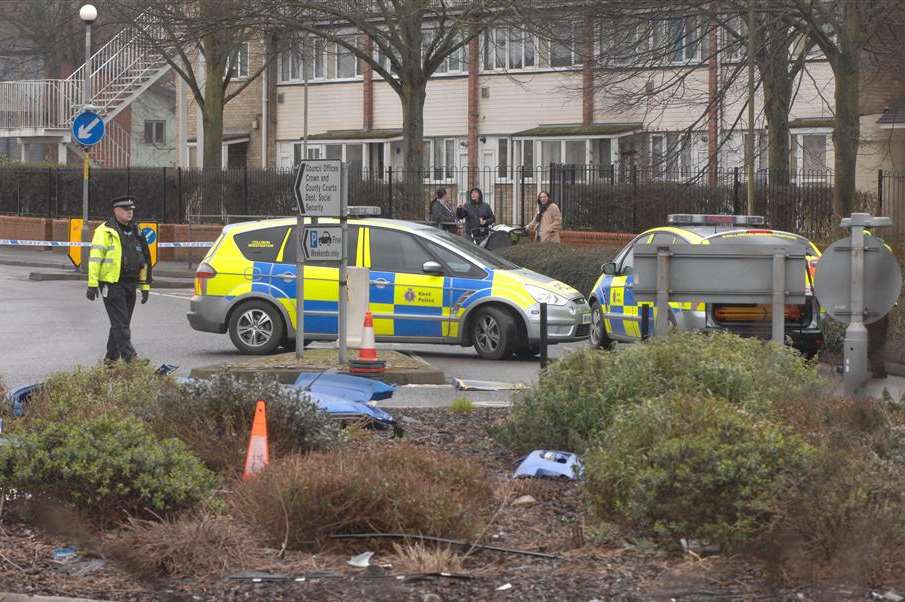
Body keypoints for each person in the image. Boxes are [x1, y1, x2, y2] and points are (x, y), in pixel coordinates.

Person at [86, 195, 152, 364]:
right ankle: (131, 359)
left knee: (121, 323)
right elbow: (95, 258)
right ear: (116, 211)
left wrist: (145, 286)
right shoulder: (105, 231)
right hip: (112, 284)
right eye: (125, 210)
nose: (130, 213)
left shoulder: (136, 230)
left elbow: (144, 260)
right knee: (121, 324)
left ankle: (110, 359)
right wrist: (92, 284)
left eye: (131, 210)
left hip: (130, 284)